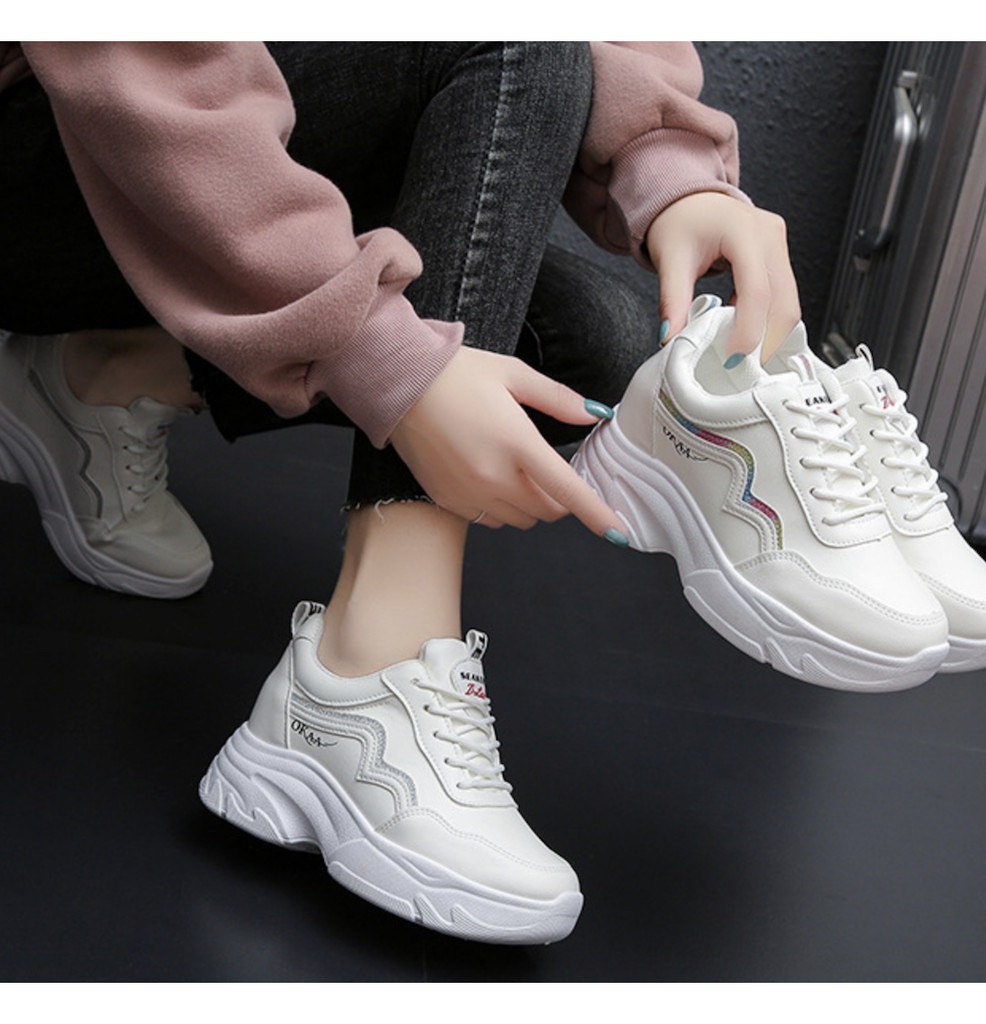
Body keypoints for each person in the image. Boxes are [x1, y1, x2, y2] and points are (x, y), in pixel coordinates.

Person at [0, 42, 800, 943]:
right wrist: (387, 359)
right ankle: (368, 660)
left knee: (587, 344)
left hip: (233, 144)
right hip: (81, 124)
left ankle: (106, 373)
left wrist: (673, 169)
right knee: (518, 36)